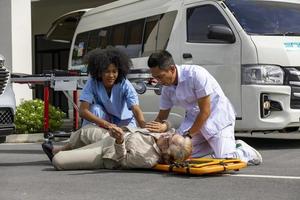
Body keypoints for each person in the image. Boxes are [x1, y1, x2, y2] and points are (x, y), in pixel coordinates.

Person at [145, 50, 262, 165]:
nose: (159, 81)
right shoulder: (166, 88)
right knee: (176, 155)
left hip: (216, 117)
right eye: (156, 78)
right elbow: (161, 118)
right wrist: (155, 129)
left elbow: (205, 112)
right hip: (193, 120)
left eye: (160, 77)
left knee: (225, 160)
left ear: (171, 69)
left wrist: (188, 136)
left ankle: (243, 150)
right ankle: (214, 145)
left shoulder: (196, 74)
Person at [42, 124, 192, 170]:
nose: (165, 136)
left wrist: (119, 141)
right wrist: (166, 125)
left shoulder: (148, 159)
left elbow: (123, 160)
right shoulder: (162, 135)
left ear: (166, 153)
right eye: (170, 135)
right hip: (111, 137)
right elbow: (168, 124)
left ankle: (59, 154)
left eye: (168, 141)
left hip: (108, 153)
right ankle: (58, 149)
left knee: (59, 162)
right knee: (84, 132)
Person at [79, 47, 145, 129]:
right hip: (104, 120)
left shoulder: (124, 83)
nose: (111, 75)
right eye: (107, 71)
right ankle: (85, 139)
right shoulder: (92, 82)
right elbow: (83, 111)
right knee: (94, 109)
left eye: (114, 71)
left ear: (119, 71)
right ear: (99, 72)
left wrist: (145, 129)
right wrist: (106, 124)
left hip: (125, 122)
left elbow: (135, 108)